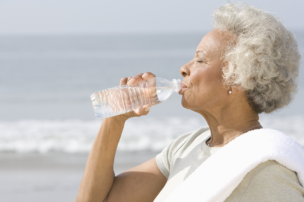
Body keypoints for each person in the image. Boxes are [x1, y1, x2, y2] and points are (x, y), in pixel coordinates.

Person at [76, 3, 303, 202]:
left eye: (200, 59)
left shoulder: (265, 173)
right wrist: (116, 118)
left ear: (239, 78)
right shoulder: (187, 147)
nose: (184, 68)